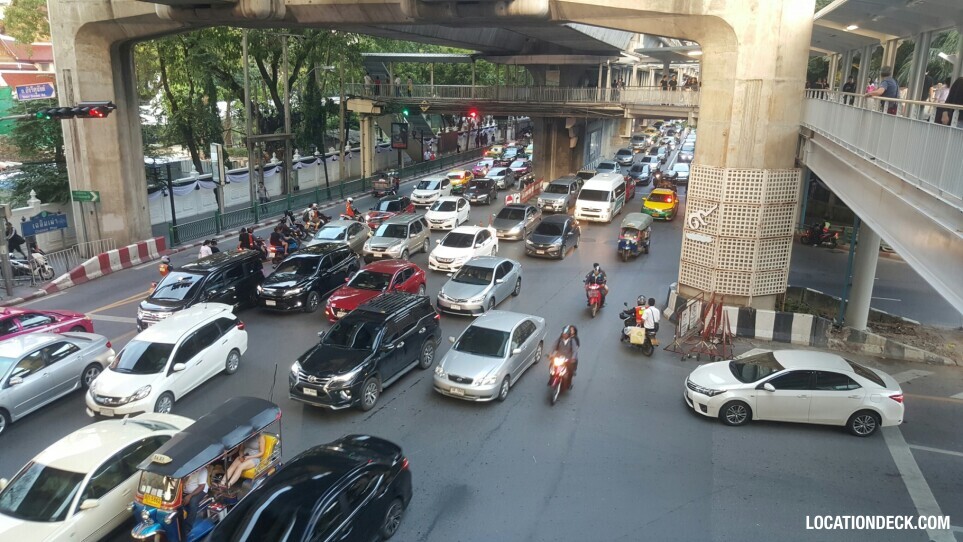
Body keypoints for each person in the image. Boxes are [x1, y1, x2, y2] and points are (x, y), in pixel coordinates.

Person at [182, 466, 209, 533]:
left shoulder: (203, 470)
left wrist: (189, 496)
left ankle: (188, 528)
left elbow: (201, 487)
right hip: (186, 491)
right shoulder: (187, 469)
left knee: (193, 502)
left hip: (200, 490)